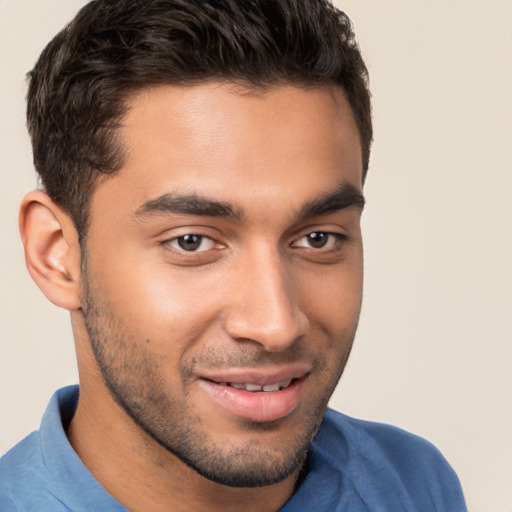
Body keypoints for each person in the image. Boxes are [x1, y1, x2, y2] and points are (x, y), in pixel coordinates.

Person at [0, 0, 467, 511]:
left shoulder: (413, 484)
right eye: (191, 242)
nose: (276, 325)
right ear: (56, 254)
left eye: (318, 238)